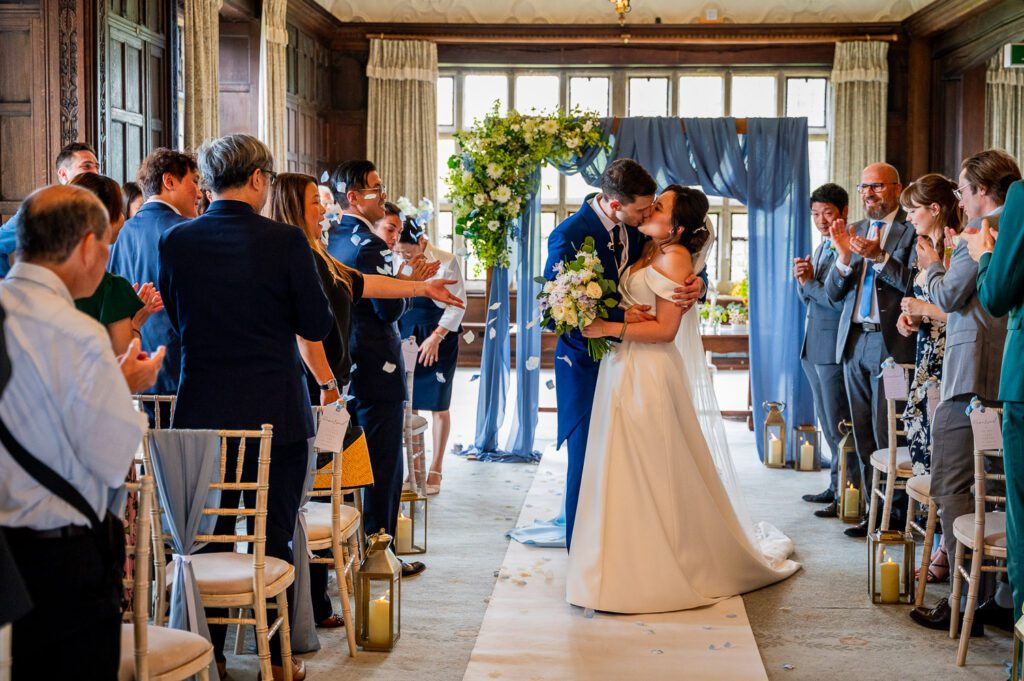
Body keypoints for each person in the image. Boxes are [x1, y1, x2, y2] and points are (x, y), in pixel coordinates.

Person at [566, 185, 799, 612]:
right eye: (650, 203)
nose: (649, 208)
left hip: (649, 368)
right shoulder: (647, 244)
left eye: (659, 206)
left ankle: (659, 561)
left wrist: (607, 328)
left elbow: (665, 330)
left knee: (651, 462)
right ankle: (621, 558)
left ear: (676, 225)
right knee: (622, 463)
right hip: (621, 367)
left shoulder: (673, 256)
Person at [159, 134, 333, 680]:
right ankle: (275, 665)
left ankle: (204, 661)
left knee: (204, 540)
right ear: (258, 179)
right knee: (272, 535)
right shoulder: (285, 242)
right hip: (275, 414)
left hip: (201, 411)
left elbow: (175, 322)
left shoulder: (177, 241)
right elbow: (316, 325)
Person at [269, 173, 463, 628]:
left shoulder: (320, 251)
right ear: (294, 208)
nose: (325, 209)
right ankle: (311, 602)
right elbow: (305, 333)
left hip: (331, 382)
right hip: (318, 387)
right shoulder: (297, 253)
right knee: (316, 489)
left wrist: (421, 288)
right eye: (315, 203)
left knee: (327, 485)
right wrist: (328, 386)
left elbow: (364, 285)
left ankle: (316, 599)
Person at [0, 184, 159, 679]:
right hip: (60, 554)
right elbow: (113, 456)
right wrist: (124, 383)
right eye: (107, 245)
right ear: (88, 245)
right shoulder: (75, 333)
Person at [544, 159, 706, 550]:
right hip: (585, 365)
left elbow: (675, 262)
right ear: (616, 205)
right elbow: (554, 312)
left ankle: (626, 549)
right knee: (585, 463)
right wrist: (616, 317)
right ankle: (579, 553)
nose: (649, 213)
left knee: (630, 464)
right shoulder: (568, 236)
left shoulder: (642, 231)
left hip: (635, 365)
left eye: (654, 207)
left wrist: (698, 284)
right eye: (642, 209)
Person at [914, 151, 1021, 633]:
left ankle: (965, 598)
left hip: (972, 375)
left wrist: (932, 266)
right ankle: (999, 596)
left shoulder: (975, 237)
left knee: (952, 483)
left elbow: (950, 296)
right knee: (997, 494)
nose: (959, 198)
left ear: (981, 192)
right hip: (1002, 371)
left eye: (962, 189)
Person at [325, 163, 427, 578]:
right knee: (382, 465)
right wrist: (407, 288)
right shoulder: (371, 246)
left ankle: (345, 550)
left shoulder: (329, 239)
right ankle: (377, 552)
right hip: (377, 367)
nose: (382, 195)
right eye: (375, 189)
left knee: (345, 463)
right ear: (353, 197)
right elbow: (388, 308)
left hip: (343, 363)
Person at [825, 162, 917, 538]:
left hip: (891, 343)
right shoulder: (855, 230)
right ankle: (871, 509)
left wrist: (880, 257)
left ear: (897, 189)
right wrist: (844, 259)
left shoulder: (910, 231)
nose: (868, 194)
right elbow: (833, 294)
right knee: (861, 430)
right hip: (854, 340)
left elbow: (914, 283)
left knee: (887, 433)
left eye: (876, 187)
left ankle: (895, 515)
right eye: (863, 187)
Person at [109, 148, 201, 416]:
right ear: (169, 181)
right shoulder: (186, 231)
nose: (198, 192)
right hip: (179, 368)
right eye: (193, 181)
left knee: (150, 455)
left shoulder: (121, 232)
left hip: (133, 365)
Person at [394, 214, 468, 495]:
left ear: (422, 241)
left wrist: (437, 337)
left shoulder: (446, 260)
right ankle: (414, 471)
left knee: (439, 403)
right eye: (399, 251)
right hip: (406, 328)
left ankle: (436, 467)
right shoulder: (394, 258)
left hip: (439, 332)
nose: (402, 256)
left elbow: (457, 304)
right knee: (408, 402)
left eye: (408, 251)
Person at [795, 183, 853, 516]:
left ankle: (848, 492)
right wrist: (801, 279)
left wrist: (808, 283)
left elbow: (834, 300)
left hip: (833, 347)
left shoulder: (848, 248)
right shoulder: (820, 248)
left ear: (843, 212)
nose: (820, 220)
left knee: (838, 424)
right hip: (811, 344)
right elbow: (809, 296)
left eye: (827, 213)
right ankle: (835, 486)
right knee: (826, 422)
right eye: (815, 214)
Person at [895, 175, 959, 477]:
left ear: (934, 208)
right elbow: (928, 304)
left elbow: (964, 311)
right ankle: (924, 516)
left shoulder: (956, 247)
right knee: (918, 428)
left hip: (949, 356)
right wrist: (912, 316)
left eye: (913, 210)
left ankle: (939, 520)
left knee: (939, 440)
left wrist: (925, 308)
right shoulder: (923, 249)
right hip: (926, 351)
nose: (908, 218)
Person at [68, 173, 162, 356]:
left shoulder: (49, 275)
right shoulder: (112, 289)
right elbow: (126, 364)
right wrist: (136, 322)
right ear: (104, 218)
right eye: (119, 210)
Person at [0, 142, 101, 277]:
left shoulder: (101, 206)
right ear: (63, 174)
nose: (95, 172)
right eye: (87, 166)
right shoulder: (40, 210)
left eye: (97, 167)